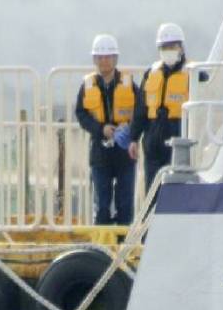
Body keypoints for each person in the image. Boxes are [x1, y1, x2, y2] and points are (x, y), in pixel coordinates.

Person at [74, 34, 138, 225]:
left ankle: (124, 247)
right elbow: (81, 114)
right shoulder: (87, 86)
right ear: (95, 60)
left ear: (115, 59)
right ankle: (103, 248)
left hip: (124, 152)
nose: (104, 61)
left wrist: (131, 134)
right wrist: (101, 129)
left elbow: (141, 111)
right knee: (102, 204)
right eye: (100, 57)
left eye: (108, 56)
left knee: (125, 204)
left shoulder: (129, 84)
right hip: (99, 153)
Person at [130, 22, 189, 188]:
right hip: (153, 140)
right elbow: (141, 108)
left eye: (172, 46)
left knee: (176, 189)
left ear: (181, 48)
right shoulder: (152, 73)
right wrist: (133, 138)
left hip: (178, 137)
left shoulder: (193, 72)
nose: (168, 50)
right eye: (164, 47)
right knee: (152, 189)